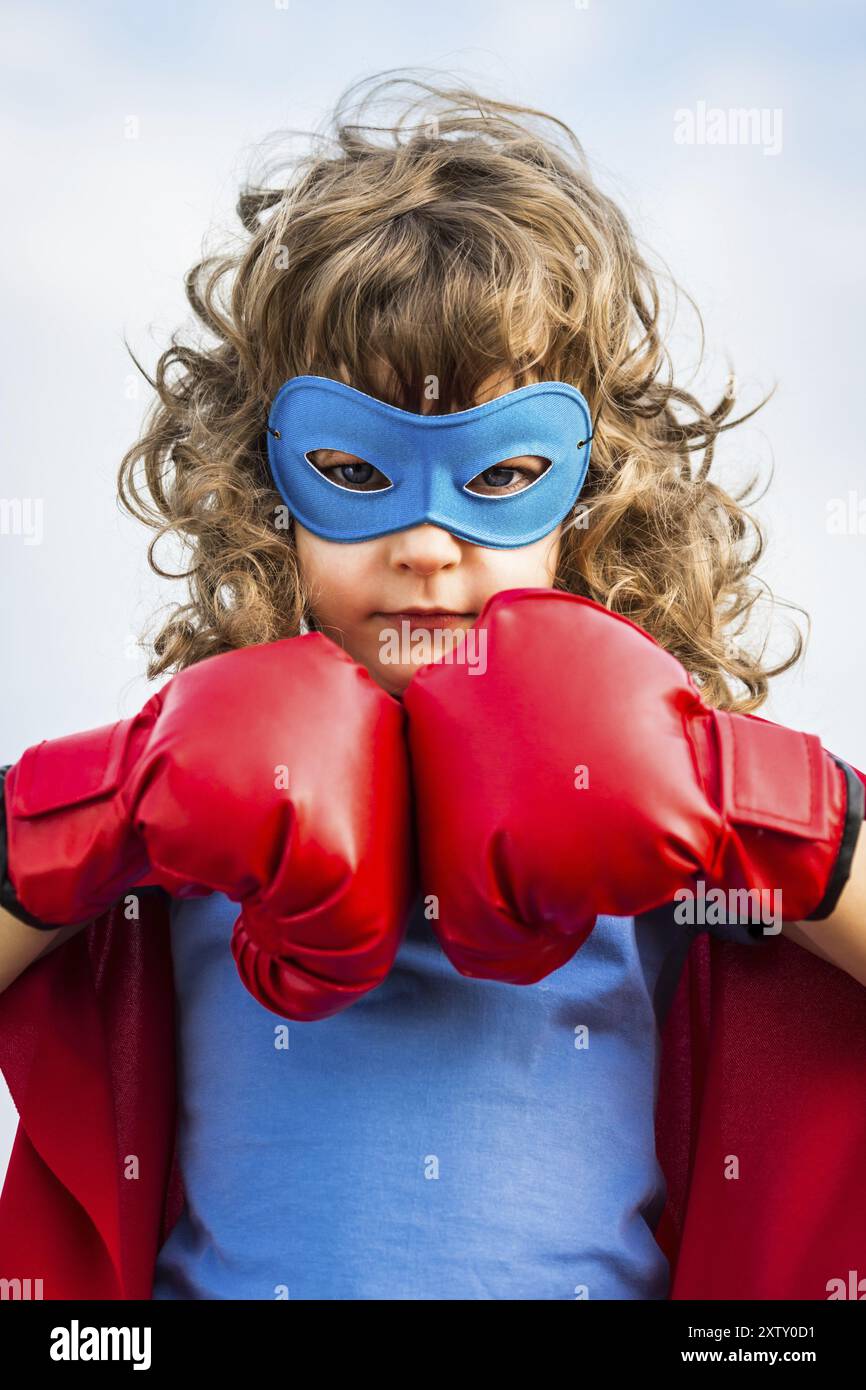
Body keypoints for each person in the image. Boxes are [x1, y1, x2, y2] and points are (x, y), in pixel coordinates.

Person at [1, 72, 865, 1302]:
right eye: (354, 467)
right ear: (263, 486)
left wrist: (754, 803)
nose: (424, 543)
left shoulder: (669, 842)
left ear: (594, 491)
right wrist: (98, 812)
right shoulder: (178, 837)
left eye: (500, 470)